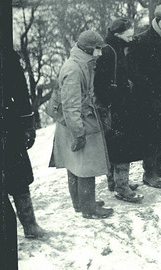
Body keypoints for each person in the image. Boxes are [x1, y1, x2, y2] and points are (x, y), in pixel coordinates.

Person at [49, 30, 114, 219]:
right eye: (97, 50)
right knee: (86, 165)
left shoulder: (81, 63)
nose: (100, 53)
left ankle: (81, 202)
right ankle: (89, 208)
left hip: (72, 121)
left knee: (75, 164)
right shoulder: (75, 69)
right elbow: (71, 106)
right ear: (88, 49)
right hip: (76, 123)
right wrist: (79, 134)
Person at [128, 2, 161, 188]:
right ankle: (149, 173)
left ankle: (160, 166)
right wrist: (149, 91)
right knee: (149, 133)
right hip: (146, 97)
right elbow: (133, 71)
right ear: (160, 22)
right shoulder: (142, 41)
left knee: (160, 129)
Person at [94, 17, 144, 204]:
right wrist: (119, 94)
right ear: (117, 35)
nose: (132, 40)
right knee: (123, 147)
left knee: (116, 146)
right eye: (128, 36)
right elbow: (101, 85)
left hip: (120, 105)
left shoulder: (116, 48)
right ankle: (122, 188)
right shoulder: (109, 52)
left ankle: (115, 183)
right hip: (117, 108)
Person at [3, 47, 46, 238]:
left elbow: (20, 91)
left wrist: (28, 124)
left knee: (18, 178)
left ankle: (30, 226)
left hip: (7, 125)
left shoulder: (5, 54)